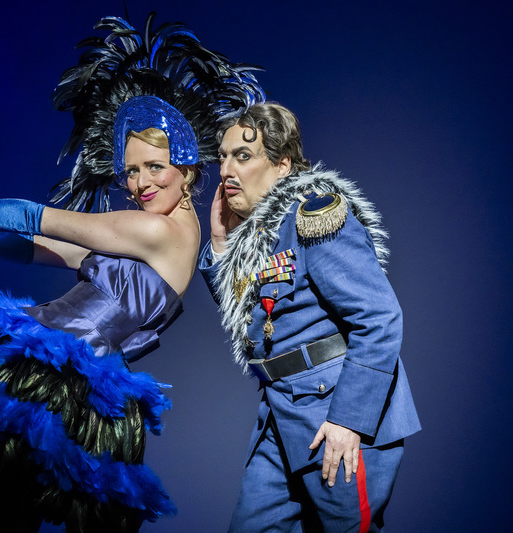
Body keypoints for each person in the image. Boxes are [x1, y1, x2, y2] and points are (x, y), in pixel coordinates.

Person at [0, 15, 264, 533]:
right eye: (131, 170)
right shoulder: (151, 239)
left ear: (187, 168)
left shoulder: (156, 231)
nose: (140, 183)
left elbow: (36, 218)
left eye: (155, 166)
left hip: (40, 387)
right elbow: (30, 247)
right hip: (57, 400)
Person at [198, 103, 421, 533]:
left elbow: (380, 318)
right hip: (281, 415)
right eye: (222, 157)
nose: (225, 170)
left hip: (334, 416)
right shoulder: (262, 235)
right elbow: (252, 321)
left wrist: (348, 421)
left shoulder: (313, 217)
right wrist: (223, 246)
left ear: (282, 165)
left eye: (242, 156)